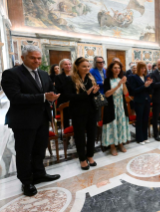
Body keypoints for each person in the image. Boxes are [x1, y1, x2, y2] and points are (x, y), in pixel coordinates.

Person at [1, 45, 61, 196]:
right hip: (23, 120)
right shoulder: (11, 74)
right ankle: (26, 181)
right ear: (23, 58)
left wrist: (52, 98)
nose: (37, 61)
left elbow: (49, 90)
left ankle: (39, 173)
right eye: (33, 58)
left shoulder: (43, 73)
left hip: (42, 118)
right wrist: (43, 97)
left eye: (39, 58)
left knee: (40, 149)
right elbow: (15, 97)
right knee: (24, 152)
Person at [65, 57, 100, 170]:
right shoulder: (71, 79)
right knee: (79, 136)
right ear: (77, 67)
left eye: (88, 66)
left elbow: (94, 95)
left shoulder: (90, 78)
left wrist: (94, 92)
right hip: (78, 112)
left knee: (92, 134)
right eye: (84, 66)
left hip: (91, 111)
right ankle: (82, 159)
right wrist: (86, 94)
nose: (87, 68)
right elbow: (69, 97)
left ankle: (90, 155)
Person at [103, 61, 130, 155]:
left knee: (120, 124)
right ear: (111, 69)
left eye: (118, 68)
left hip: (121, 105)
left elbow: (126, 94)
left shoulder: (121, 79)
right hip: (111, 106)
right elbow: (106, 94)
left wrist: (123, 83)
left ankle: (121, 143)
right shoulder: (107, 80)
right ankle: (112, 146)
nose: (117, 69)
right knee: (112, 125)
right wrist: (118, 85)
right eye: (115, 67)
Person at [129, 62, 153, 144]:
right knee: (139, 119)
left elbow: (150, 90)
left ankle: (145, 137)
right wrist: (144, 86)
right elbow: (133, 91)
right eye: (142, 68)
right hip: (139, 100)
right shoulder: (133, 77)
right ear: (138, 68)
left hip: (146, 100)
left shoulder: (146, 77)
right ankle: (139, 138)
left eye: (144, 68)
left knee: (146, 119)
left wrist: (149, 85)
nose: (144, 70)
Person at [55, 59, 72, 128]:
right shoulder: (58, 77)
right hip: (64, 100)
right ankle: (66, 136)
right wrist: (68, 79)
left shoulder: (75, 75)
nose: (68, 66)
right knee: (66, 120)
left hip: (74, 99)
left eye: (69, 64)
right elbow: (58, 89)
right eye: (65, 64)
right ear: (62, 66)